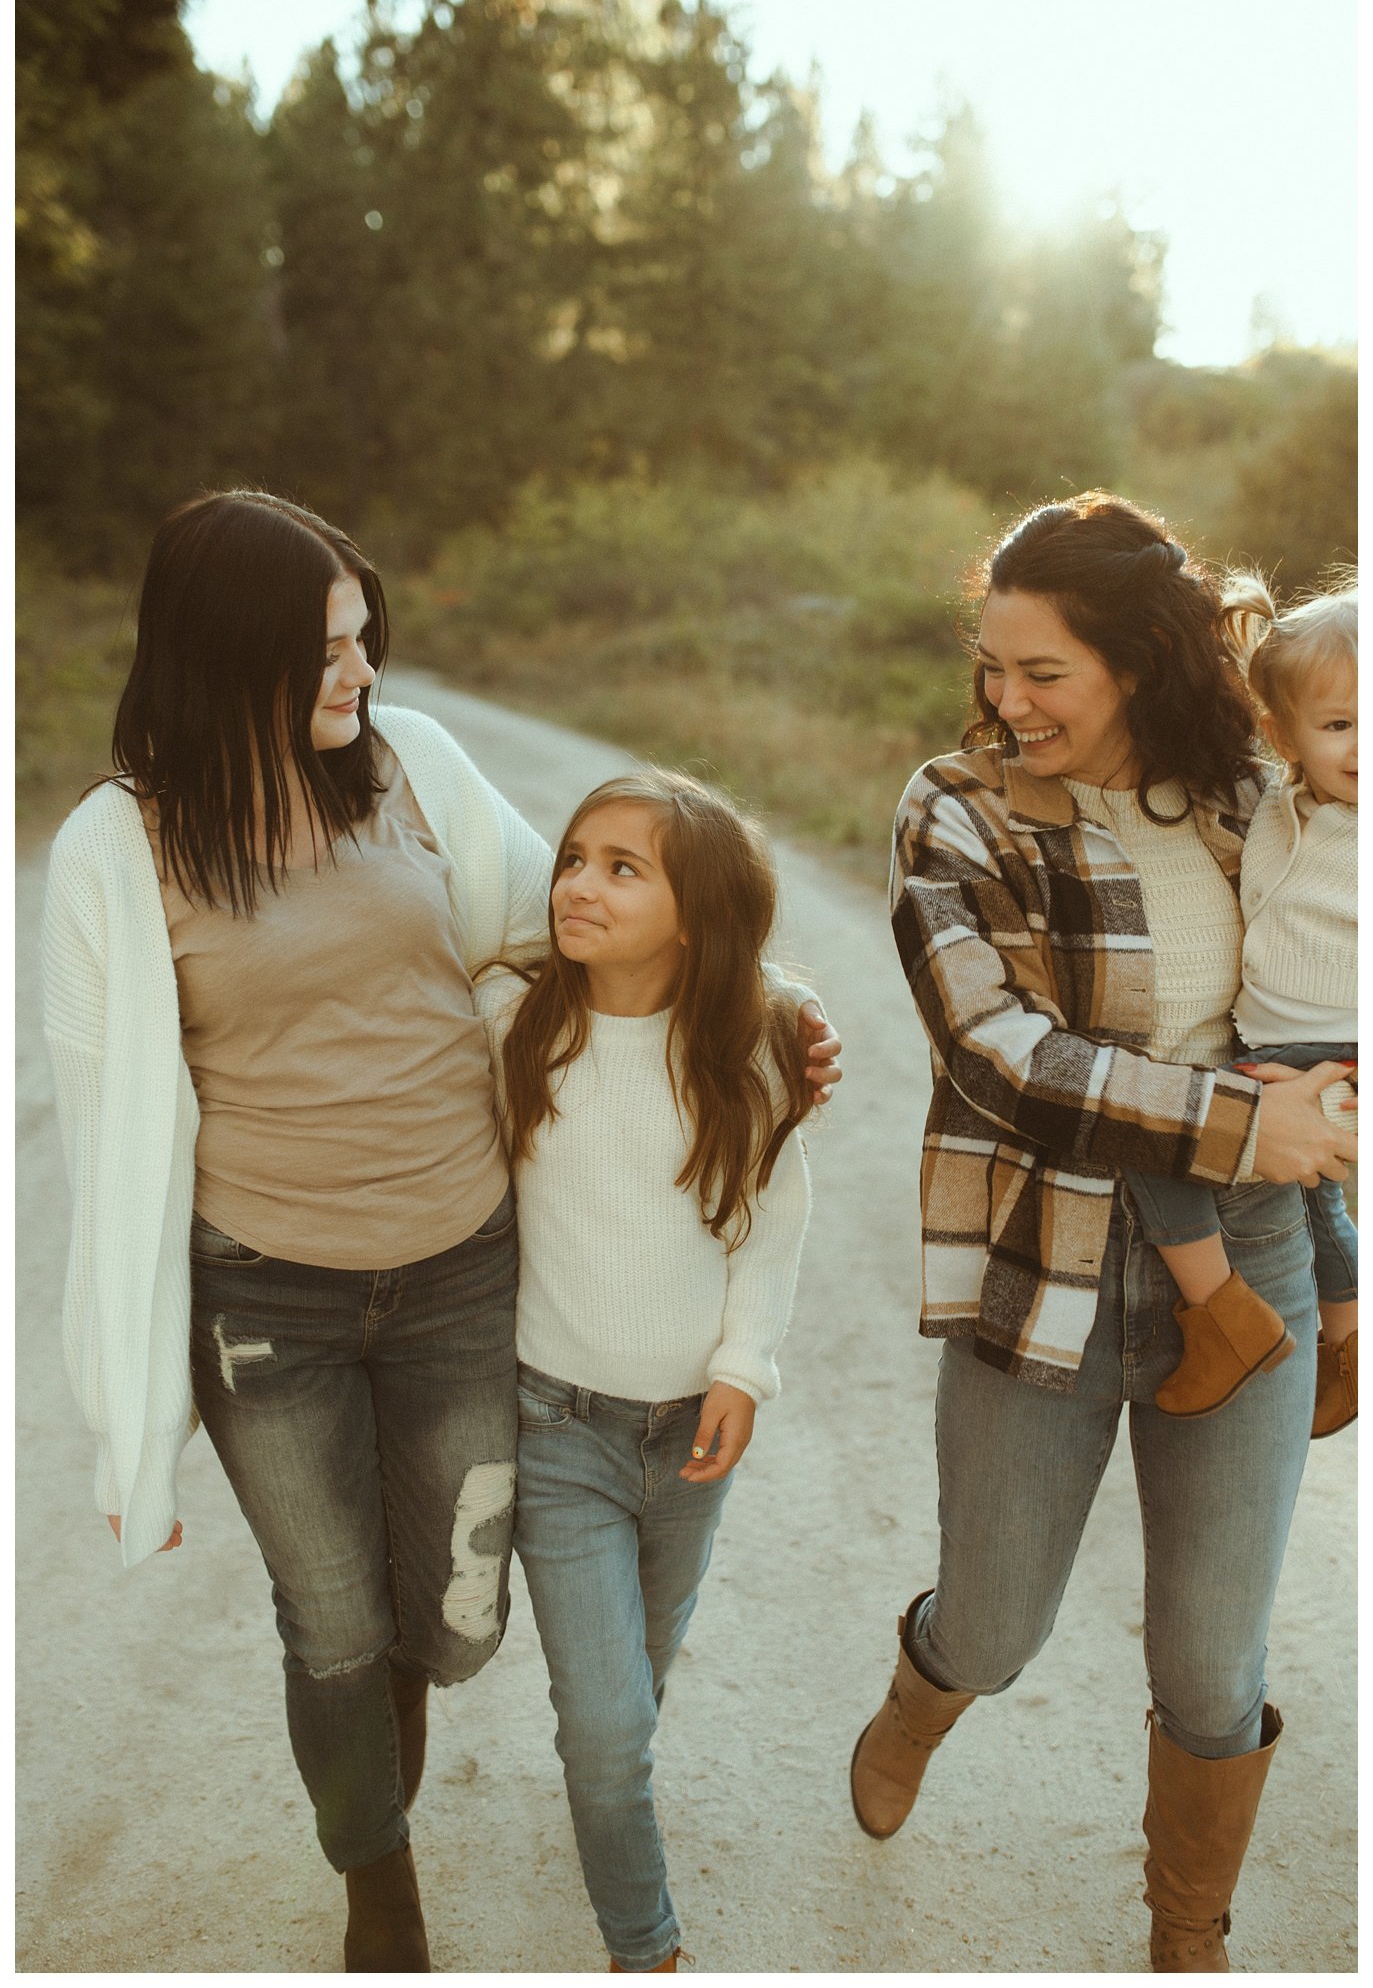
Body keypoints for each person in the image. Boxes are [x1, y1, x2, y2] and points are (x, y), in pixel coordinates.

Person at [40, 489, 839, 1974]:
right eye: (328, 651)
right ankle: (377, 1882)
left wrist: (770, 1006)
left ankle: (389, 1719)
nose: (361, 675)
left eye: (363, 640)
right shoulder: (118, 846)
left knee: (453, 1617)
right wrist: (123, 1395)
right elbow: (107, 1126)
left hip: (464, 1279)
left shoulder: (411, 768)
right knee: (333, 1621)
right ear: (228, 657)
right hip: (265, 1302)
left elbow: (589, 927)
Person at [847, 493, 1356, 1973]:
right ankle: (926, 1693)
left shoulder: (1257, 792)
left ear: (1136, 658)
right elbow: (1000, 1057)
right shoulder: (954, 810)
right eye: (991, 666)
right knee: (998, 1626)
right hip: (1043, 1261)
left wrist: (1341, 1269)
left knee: (1212, 1667)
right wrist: (1239, 1121)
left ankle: (1186, 1929)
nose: (1004, 701)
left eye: (1042, 673)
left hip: (1253, 1252)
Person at [474, 769, 813, 1974]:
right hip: (553, 1422)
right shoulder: (512, 1015)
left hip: (691, 1436)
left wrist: (742, 1366)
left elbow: (767, 1220)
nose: (578, 883)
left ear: (696, 914)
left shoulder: (752, 1045)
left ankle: (601, 1790)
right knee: (610, 1724)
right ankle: (644, 1943)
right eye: (573, 856)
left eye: (625, 867)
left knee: (639, 1676)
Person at [1121, 580, 1357, 1430]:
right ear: (1282, 733)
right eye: (1338, 725)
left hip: (1334, 1050)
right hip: (1278, 1038)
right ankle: (1346, 1345)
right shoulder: (1272, 799)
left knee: (1161, 1139)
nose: (1362, 747)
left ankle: (1222, 1316)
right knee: (1315, 1202)